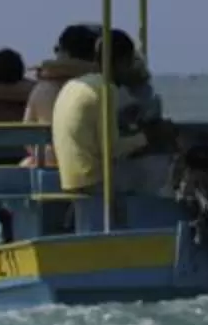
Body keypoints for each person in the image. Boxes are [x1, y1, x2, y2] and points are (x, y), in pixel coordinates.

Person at [50, 30, 178, 205]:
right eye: (130, 62)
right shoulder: (106, 90)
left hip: (70, 178)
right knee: (160, 165)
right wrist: (149, 136)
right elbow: (112, 149)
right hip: (94, 181)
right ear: (121, 62)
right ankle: (157, 218)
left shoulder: (75, 84)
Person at [22, 25, 101, 170]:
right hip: (91, 165)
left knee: (26, 163)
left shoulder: (42, 89)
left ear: (63, 51)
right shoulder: (100, 86)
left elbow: (27, 137)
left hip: (49, 162)